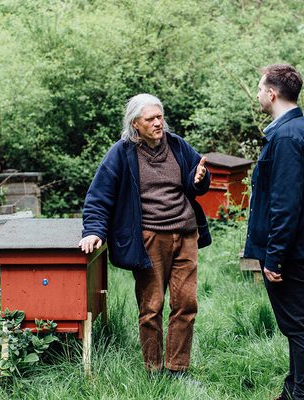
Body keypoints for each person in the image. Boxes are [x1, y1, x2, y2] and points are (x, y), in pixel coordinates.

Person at [79, 93, 211, 376]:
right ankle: (153, 369)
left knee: (186, 304)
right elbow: (99, 196)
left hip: (186, 234)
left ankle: (177, 369)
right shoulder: (121, 153)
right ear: (135, 124)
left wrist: (200, 179)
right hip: (150, 239)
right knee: (152, 306)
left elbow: (195, 178)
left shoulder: (177, 145)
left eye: (160, 117)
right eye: (150, 119)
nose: (158, 123)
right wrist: (93, 230)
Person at [243, 64, 304, 400]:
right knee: (295, 326)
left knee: (299, 327)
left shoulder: (286, 137)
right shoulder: (298, 131)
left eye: (259, 88)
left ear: (272, 94)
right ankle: (292, 391)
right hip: (297, 249)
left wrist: (275, 257)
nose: (257, 94)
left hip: (290, 253)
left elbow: (285, 204)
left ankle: (303, 395)